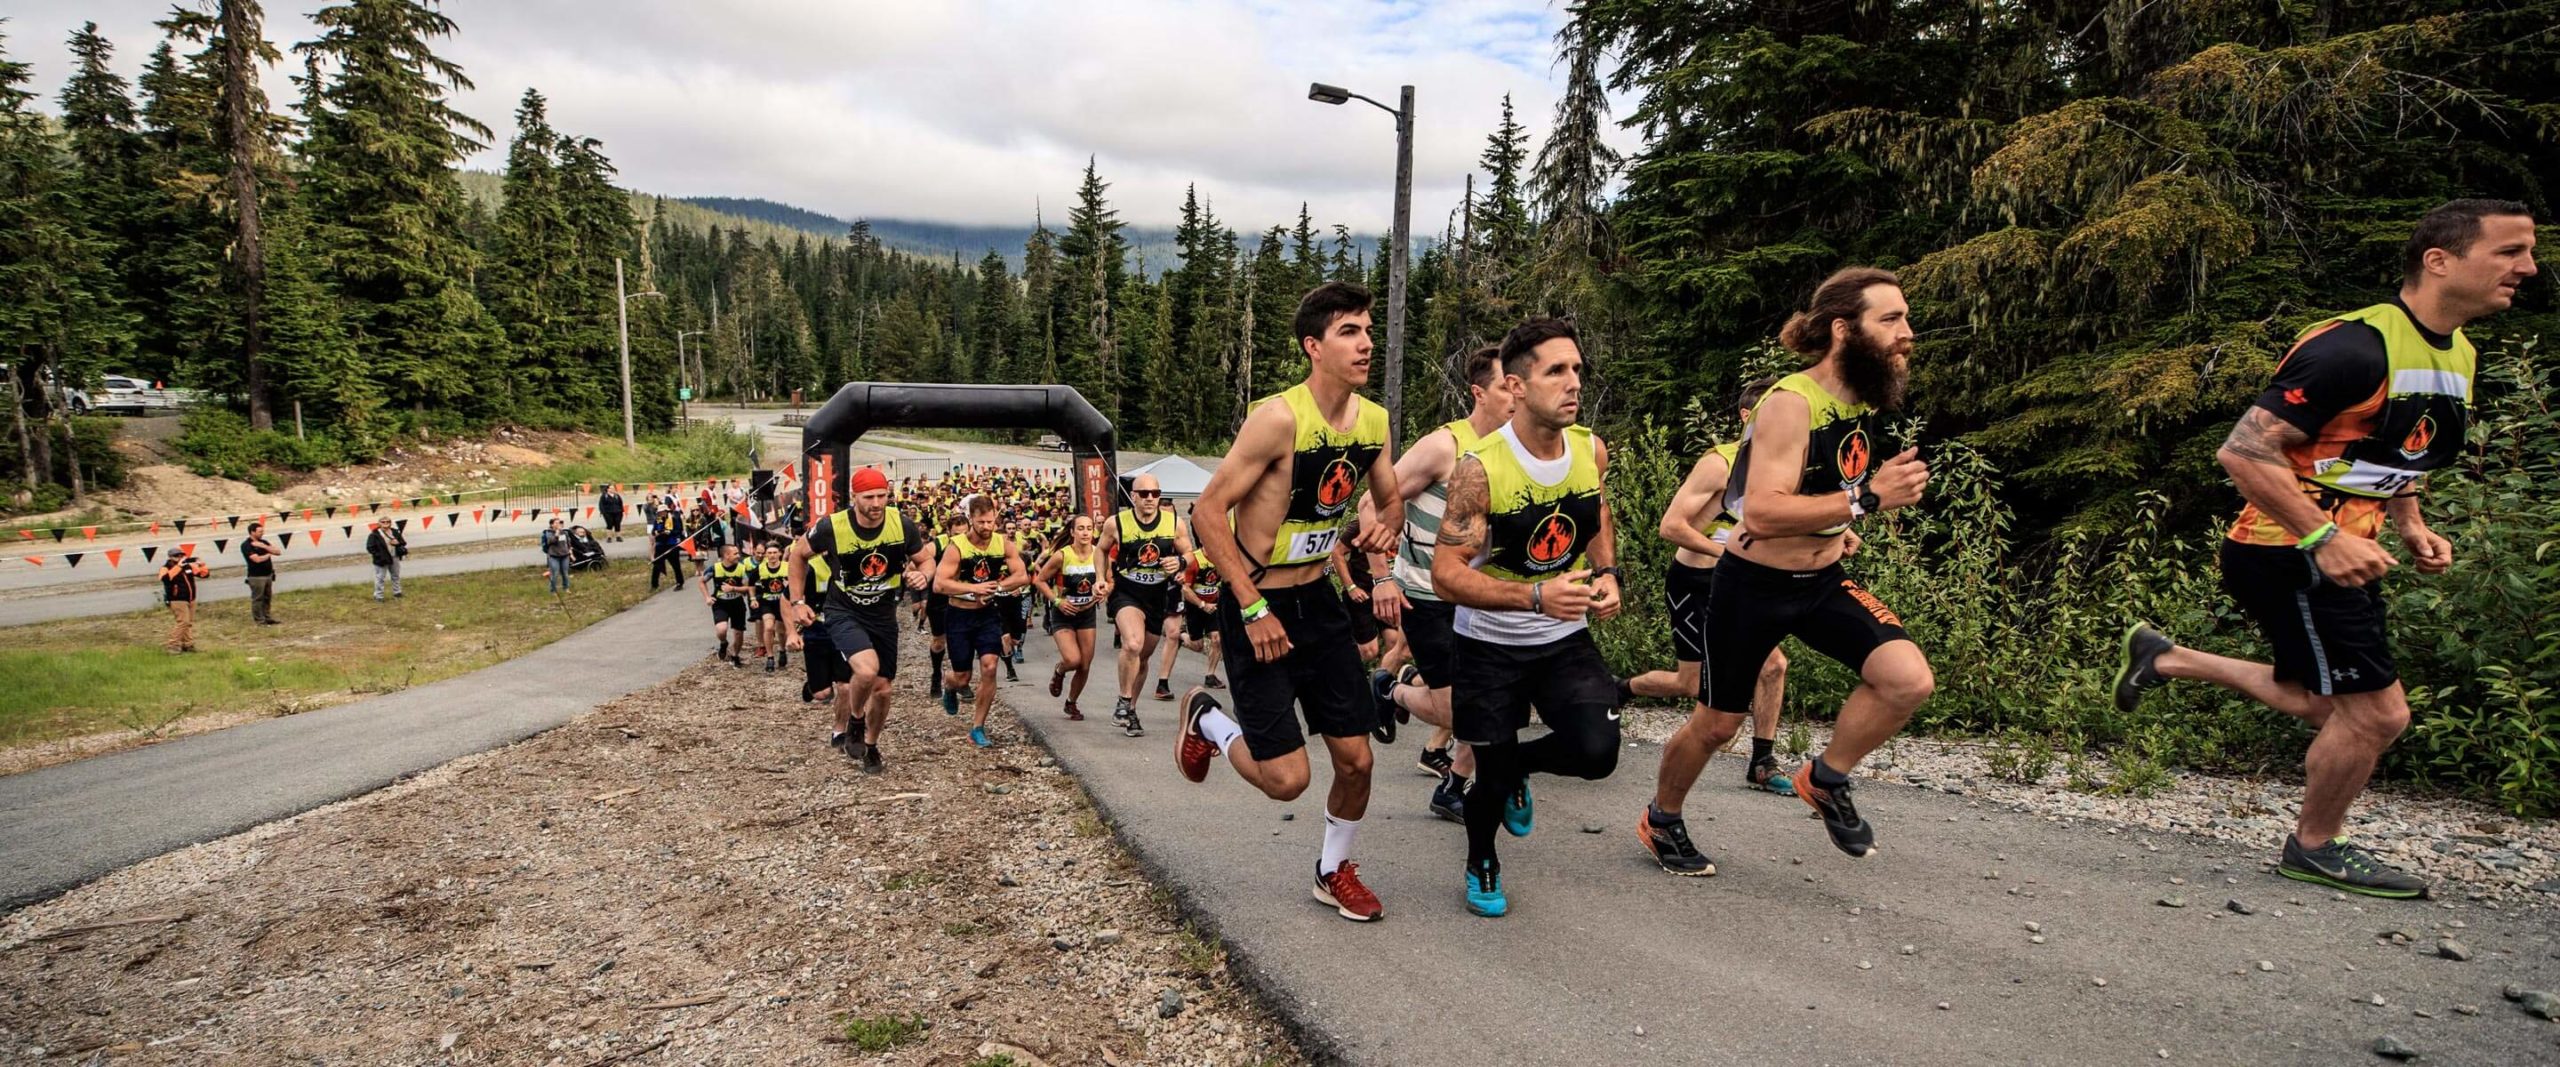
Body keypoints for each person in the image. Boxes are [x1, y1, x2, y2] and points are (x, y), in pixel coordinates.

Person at [2116, 200, 2536, 899]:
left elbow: (2393, 448)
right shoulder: (2352, 347)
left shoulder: (2456, 348)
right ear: (2439, 260)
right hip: (2291, 547)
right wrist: (2323, 535)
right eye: (2510, 251)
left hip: (2339, 545)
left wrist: (2409, 522)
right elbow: (2244, 451)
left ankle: (2166, 657)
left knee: (2322, 701)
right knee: (2378, 714)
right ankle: (2314, 845)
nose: (2527, 267)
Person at [1641, 267, 1935, 877]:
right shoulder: (1789, 403)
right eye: (1890, 320)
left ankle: (1826, 778)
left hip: (1823, 581)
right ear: (1842, 329)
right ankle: (1662, 818)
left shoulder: (1860, 398)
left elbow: (1823, 484)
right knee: (1718, 722)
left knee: (1908, 681)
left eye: (1905, 319)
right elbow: (1764, 510)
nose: (1907, 333)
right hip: (1753, 586)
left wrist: (1838, 522)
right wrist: (1869, 501)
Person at [1176, 280, 1403, 923]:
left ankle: (1333, 870)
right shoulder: (1278, 418)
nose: (1365, 344)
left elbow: (1389, 500)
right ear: (1314, 347)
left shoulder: (1375, 422)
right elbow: (1207, 513)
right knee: (1287, 780)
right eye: (1349, 333)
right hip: (1257, 605)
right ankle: (1207, 720)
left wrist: (1388, 524)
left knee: (1356, 760)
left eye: (1367, 330)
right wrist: (1250, 607)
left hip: (1319, 604)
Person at [1428, 318, 1627, 917]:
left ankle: (1516, 767)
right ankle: (1481, 859)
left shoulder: (1590, 448)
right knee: (1487, 775)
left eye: (1577, 370)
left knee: (1597, 754)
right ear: (1515, 386)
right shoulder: (1480, 468)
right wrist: (1536, 597)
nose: (1574, 384)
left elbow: (1596, 516)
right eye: (1556, 372)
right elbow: (1447, 575)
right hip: (1490, 643)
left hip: (1563, 637)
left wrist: (1609, 574)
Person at [1622, 375, 1808, 799]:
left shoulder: (1782, 471)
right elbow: (1670, 526)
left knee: (1774, 666)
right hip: (1696, 581)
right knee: (1689, 684)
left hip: (1745, 583)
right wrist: (1727, 553)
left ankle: (1762, 762)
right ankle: (1621, 689)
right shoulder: (1720, 464)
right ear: (1747, 417)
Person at [1362, 345, 1512, 823]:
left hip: (1484, 597)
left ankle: (1454, 786)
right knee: (1460, 712)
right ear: (1479, 393)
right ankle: (1392, 689)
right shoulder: (1444, 446)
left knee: (1492, 701)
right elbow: (1371, 505)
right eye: (1507, 386)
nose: (1517, 395)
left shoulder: (1515, 449)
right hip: (1428, 596)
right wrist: (1382, 576)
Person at [790, 466, 936, 773]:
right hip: (844, 610)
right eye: (869, 497)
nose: (876, 503)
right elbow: (798, 555)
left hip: (883, 614)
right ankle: (855, 720)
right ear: (854, 497)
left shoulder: (901, 523)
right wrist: (797, 601)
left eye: (882, 496)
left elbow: (926, 559)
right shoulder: (832, 526)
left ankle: (871, 745)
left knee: (883, 689)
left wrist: (923, 576)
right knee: (867, 671)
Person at [935, 494, 1029, 748]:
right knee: (963, 677)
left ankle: (977, 727)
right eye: (981, 522)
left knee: (989, 666)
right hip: (959, 615)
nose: (986, 527)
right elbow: (940, 583)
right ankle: (949, 683)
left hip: (987, 615)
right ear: (971, 519)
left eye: (990, 521)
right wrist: (974, 589)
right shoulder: (957, 547)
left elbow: (1022, 575)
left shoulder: (1002, 543)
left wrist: (998, 586)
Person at [1101, 473, 1192, 736]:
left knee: (1141, 659)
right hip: (1127, 592)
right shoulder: (1116, 523)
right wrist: (1100, 578)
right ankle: (1122, 699)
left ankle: (1129, 709)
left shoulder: (1174, 523)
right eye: (1144, 494)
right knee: (1132, 643)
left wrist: (1181, 563)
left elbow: (1188, 553)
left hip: (1157, 596)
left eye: (1155, 493)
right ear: (1133, 497)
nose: (1150, 499)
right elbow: (1101, 549)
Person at [1037, 513, 1109, 720]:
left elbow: (1110, 581)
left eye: (1089, 528)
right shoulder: (1062, 555)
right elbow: (1040, 580)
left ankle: (1071, 702)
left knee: (1085, 665)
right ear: (1072, 532)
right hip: (1063, 613)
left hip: (1086, 614)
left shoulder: (1100, 555)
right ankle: (1059, 670)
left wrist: (1104, 591)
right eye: (1081, 528)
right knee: (1073, 659)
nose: (1085, 532)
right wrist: (1057, 601)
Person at [705, 542, 755, 666]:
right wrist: (707, 597)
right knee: (721, 630)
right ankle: (723, 643)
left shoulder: (742, 568)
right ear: (726, 555)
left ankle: (735, 656)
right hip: (720, 603)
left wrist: (733, 589)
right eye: (735, 553)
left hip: (737, 603)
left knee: (738, 633)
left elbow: (747, 587)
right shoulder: (715, 568)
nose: (738, 556)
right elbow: (701, 581)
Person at [160, 551, 209, 653]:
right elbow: (165, 579)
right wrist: (178, 567)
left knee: (188, 623)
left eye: (181, 555)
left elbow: (204, 575)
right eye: (176, 556)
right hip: (177, 599)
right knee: (183, 622)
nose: (180, 557)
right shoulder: (166, 567)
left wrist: (202, 565)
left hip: (191, 598)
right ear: (170, 557)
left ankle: (188, 644)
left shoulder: (188, 566)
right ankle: (173, 645)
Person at [755, 542, 791, 671]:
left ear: (780, 554)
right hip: (767, 602)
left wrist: (789, 586)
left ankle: (782, 650)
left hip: (782, 602)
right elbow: (751, 585)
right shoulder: (760, 568)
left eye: (775, 552)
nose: (772, 555)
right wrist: (754, 598)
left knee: (781, 631)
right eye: (769, 553)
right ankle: (770, 657)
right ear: (765, 555)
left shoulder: (787, 567)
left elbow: (797, 582)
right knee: (769, 627)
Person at [242, 521, 280, 625]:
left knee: (267, 597)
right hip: (256, 576)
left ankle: (267, 617)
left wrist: (264, 547)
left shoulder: (264, 542)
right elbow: (257, 559)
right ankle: (259, 620)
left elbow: (277, 552)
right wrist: (268, 554)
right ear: (252, 532)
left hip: (268, 574)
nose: (262, 533)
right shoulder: (246, 545)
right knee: (258, 599)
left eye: (262, 531)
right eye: (260, 532)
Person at [649, 499, 687, 591]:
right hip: (661, 544)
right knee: (657, 564)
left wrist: (669, 532)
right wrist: (656, 532)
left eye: (662, 512)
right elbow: (653, 531)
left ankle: (680, 583)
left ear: (666, 511)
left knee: (676, 565)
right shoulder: (657, 519)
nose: (661, 514)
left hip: (672, 544)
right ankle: (654, 585)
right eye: (659, 512)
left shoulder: (673, 518)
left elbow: (678, 530)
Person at [365, 520, 407, 601]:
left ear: (390, 523)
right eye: (383, 522)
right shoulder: (374, 535)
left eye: (387, 522)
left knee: (396, 576)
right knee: (380, 578)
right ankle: (378, 596)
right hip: (382, 559)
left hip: (394, 556)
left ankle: (397, 592)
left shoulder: (395, 532)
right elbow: (370, 548)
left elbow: (403, 543)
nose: (385, 523)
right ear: (379, 523)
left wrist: (397, 543)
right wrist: (379, 555)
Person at [541, 517, 575, 593]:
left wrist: (571, 553)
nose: (558, 524)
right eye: (556, 523)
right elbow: (551, 541)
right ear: (552, 524)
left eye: (559, 523)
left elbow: (568, 544)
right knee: (555, 573)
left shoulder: (564, 533)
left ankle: (566, 587)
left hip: (565, 555)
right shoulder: (548, 533)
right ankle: (552, 590)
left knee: (565, 573)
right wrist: (557, 533)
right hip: (554, 556)